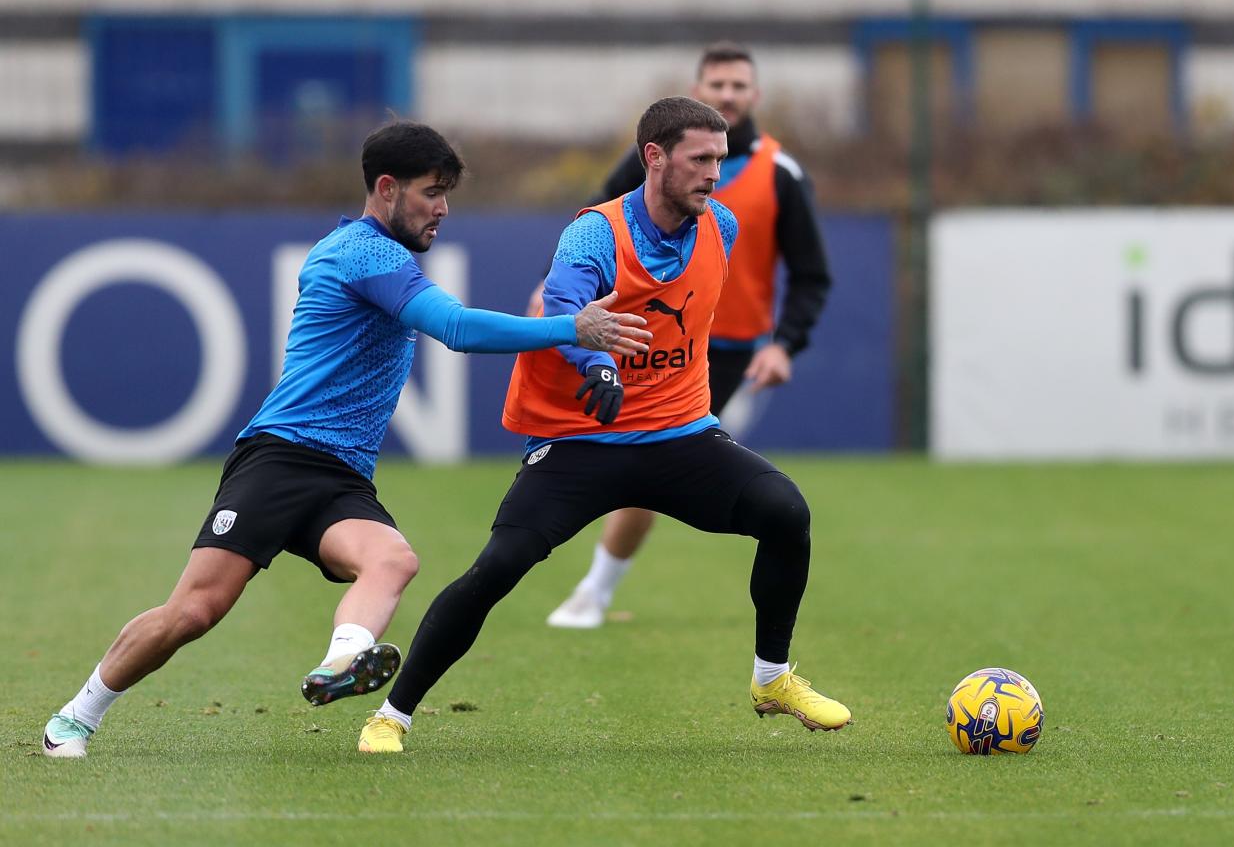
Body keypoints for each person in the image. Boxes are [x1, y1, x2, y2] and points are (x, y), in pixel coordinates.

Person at [40, 121, 651, 759]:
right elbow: (456, 328)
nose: (443, 208)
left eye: (447, 194)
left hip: (340, 475)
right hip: (281, 457)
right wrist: (571, 328)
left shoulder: (378, 256)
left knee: (393, 559)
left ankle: (342, 662)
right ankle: (74, 718)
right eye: (431, 192)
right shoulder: (364, 254)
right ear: (387, 189)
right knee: (194, 611)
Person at [357, 97, 848, 754]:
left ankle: (772, 679)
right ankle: (391, 715)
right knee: (499, 566)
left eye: (720, 160)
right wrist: (598, 365)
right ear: (654, 157)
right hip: (582, 437)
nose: (714, 173)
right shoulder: (595, 232)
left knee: (785, 511)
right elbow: (564, 299)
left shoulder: (721, 226)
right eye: (700, 159)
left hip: (679, 434)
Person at [545, 41, 832, 629]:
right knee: (626, 461)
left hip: (722, 351)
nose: (728, 94)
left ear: (755, 95)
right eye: (717, 85)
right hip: (639, 336)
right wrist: (556, 294)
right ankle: (585, 582)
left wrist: (785, 343)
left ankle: (594, 590)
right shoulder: (658, 160)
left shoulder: (781, 174)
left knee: (649, 463)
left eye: (738, 86)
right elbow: (594, 222)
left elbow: (811, 274)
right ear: (700, 91)